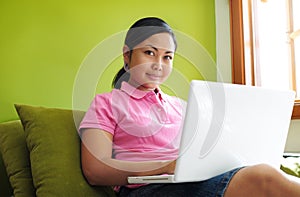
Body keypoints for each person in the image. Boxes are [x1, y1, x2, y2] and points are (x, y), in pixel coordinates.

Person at [79, 17, 300, 197]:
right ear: (127, 55)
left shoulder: (183, 107)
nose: (158, 64)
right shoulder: (107, 103)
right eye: (149, 52)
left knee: (266, 173)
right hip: (148, 190)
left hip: (197, 181)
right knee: (262, 178)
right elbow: (95, 171)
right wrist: (165, 166)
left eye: (167, 57)